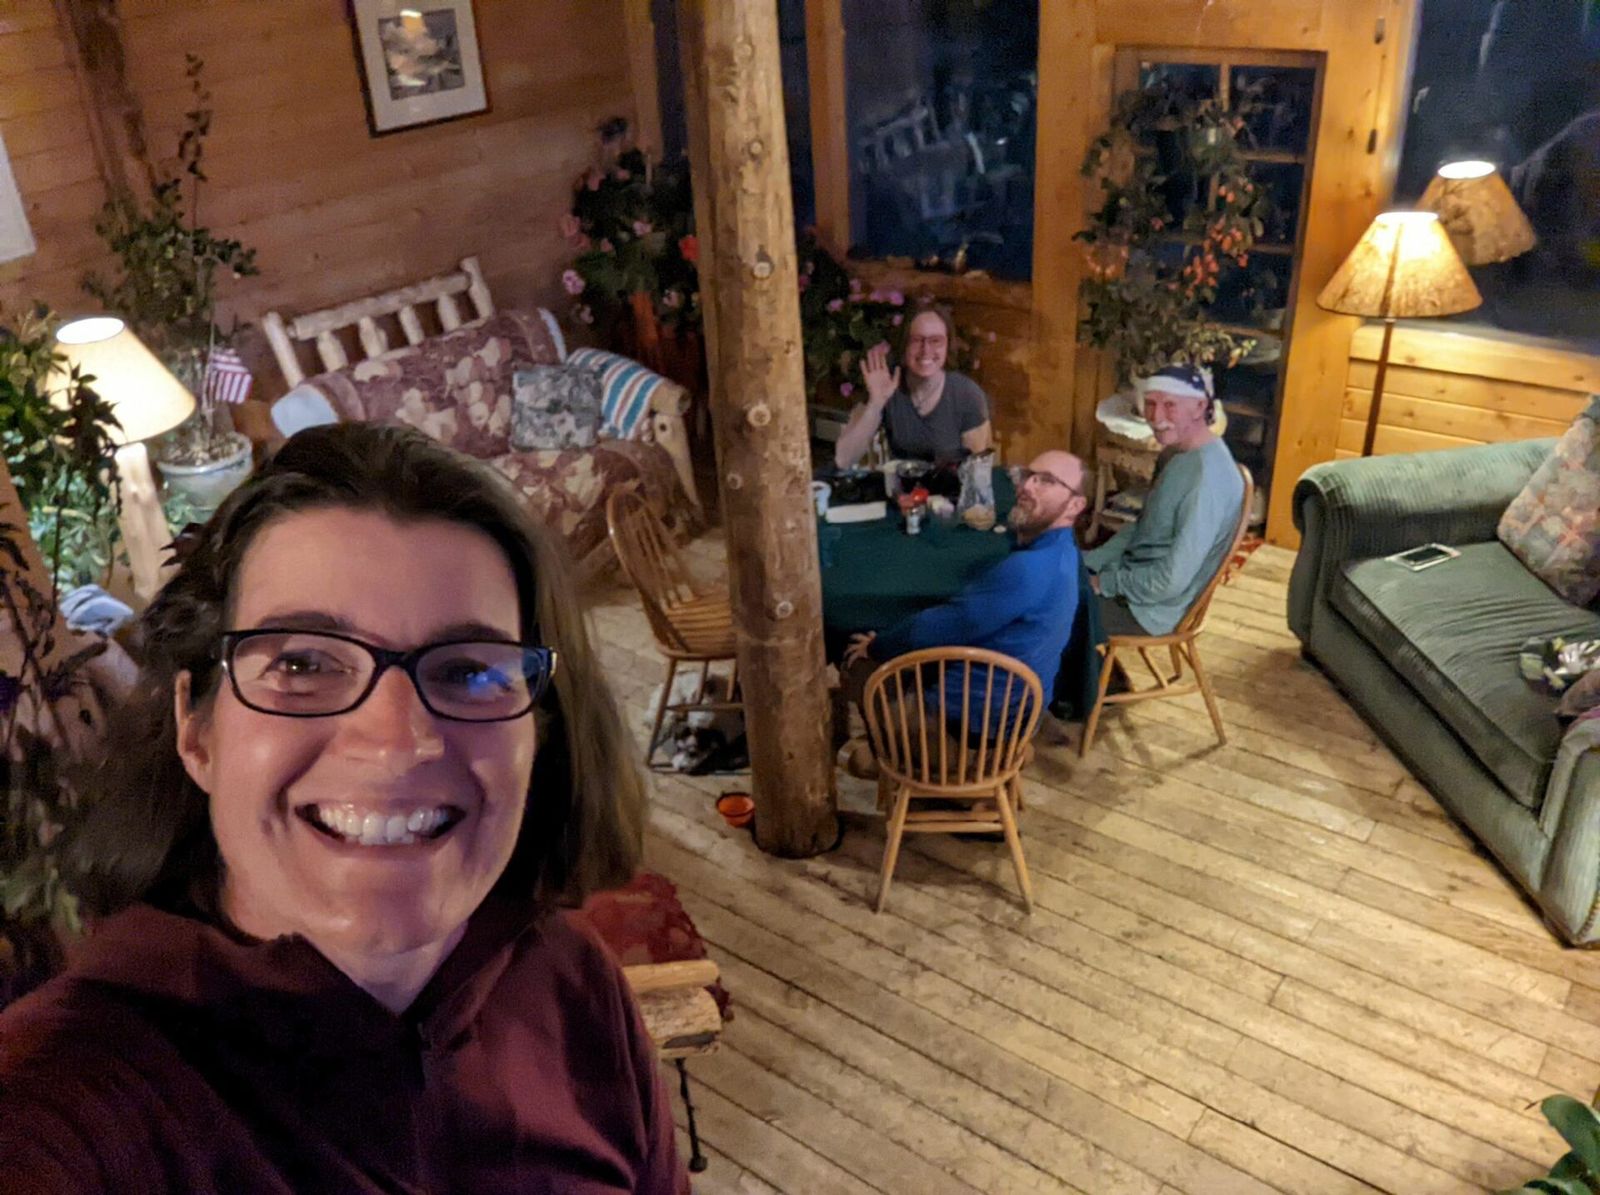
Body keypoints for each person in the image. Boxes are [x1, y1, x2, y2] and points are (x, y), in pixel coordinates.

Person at [0, 423, 686, 1193]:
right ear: (197, 731)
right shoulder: (64, 1107)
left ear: (539, 735)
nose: (396, 744)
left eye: (468, 671)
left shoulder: (574, 986)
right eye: (302, 662)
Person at [840, 450, 1088, 751]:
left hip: (972, 727)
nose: (1026, 486)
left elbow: (942, 625)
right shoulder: (1064, 551)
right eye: (1027, 475)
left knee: (857, 662)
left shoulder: (1028, 569)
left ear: (1075, 505)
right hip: (1020, 711)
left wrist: (877, 646)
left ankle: (888, 754)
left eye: (1046, 481)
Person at [1084, 363, 1245, 636]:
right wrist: (1092, 562)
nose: (1156, 416)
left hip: (1148, 610)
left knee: (1039, 605)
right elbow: (1141, 528)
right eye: (1150, 404)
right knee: (1043, 572)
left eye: (1170, 405)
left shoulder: (1205, 479)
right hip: (1132, 580)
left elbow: (1170, 581)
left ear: (1199, 406)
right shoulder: (1177, 453)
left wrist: (1104, 583)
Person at [832, 307, 993, 468]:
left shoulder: (967, 395)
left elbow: (980, 470)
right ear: (904, 345)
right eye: (916, 340)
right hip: (902, 482)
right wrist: (876, 403)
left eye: (935, 341)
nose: (926, 350)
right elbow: (843, 459)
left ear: (947, 346)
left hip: (953, 483)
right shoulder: (887, 383)